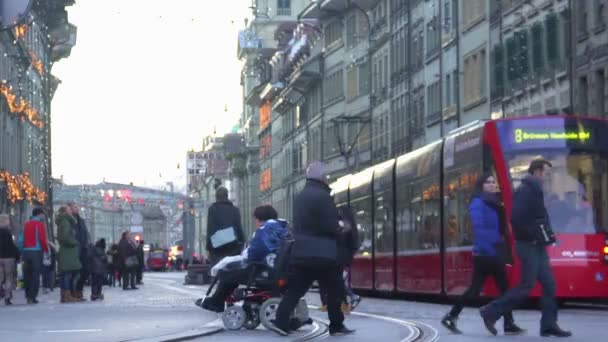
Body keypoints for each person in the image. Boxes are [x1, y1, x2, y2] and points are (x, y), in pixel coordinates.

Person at [480, 159, 572, 337]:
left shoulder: (535, 190)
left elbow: (538, 217)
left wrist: (547, 235)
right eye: (546, 173)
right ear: (537, 172)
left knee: (549, 284)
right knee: (526, 285)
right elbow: (516, 218)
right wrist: (535, 234)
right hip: (528, 245)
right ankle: (491, 312)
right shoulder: (526, 191)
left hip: (537, 244)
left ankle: (548, 325)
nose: (548, 177)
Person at [270, 161, 354, 337]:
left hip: (302, 251)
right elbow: (330, 225)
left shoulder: (300, 196)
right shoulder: (323, 197)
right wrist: (343, 227)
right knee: (333, 289)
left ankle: (280, 321)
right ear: (323, 178)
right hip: (323, 253)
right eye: (327, 176)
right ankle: (336, 325)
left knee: (295, 290)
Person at [441, 174, 524, 335]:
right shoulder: (478, 202)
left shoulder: (492, 201)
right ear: (481, 185)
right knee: (502, 289)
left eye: (494, 182)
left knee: (477, 290)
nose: (492, 184)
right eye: (488, 182)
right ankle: (507, 323)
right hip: (487, 252)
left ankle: (451, 316)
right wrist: (494, 247)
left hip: (490, 250)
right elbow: (479, 228)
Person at [200, 204, 289, 312]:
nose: (255, 222)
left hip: (262, 269)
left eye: (256, 219)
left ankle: (216, 302)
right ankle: (217, 300)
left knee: (227, 273)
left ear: (259, 219)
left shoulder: (265, 230)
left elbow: (253, 254)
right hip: (278, 269)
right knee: (233, 272)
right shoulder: (284, 229)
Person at [206, 187, 245, 266]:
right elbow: (238, 227)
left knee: (217, 270)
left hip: (217, 248)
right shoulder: (235, 209)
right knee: (232, 270)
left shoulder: (213, 209)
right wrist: (242, 242)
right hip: (233, 246)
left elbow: (210, 229)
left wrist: (209, 247)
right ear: (227, 196)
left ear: (216, 197)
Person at [20, 208, 49, 304]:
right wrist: (46, 250)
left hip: (26, 252)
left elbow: (21, 239)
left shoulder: (26, 224)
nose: (44, 216)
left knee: (27, 275)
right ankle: (33, 297)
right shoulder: (40, 225)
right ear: (39, 214)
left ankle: (28, 295)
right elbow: (42, 239)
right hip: (36, 252)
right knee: (35, 275)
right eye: (43, 214)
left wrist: (22, 251)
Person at [56, 206, 82, 303]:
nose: (71, 211)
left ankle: (65, 295)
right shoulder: (66, 222)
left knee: (67, 274)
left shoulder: (65, 222)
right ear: (65, 212)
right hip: (68, 252)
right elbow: (65, 237)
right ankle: (67, 296)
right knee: (67, 274)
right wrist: (75, 242)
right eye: (69, 210)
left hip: (67, 252)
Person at [68, 202, 90, 301]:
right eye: (75, 207)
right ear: (70, 209)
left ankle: (79, 290)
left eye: (77, 207)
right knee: (74, 273)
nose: (77, 209)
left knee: (85, 270)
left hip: (83, 249)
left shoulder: (81, 220)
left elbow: (85, 233)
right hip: (74, 250)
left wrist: (87, 244)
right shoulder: (68, 221)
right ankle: (73, 293)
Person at [0, 213, 19, 305]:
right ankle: (7, 297)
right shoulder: (8, 233)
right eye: (8, 220)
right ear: (5, 221)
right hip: (8, 257)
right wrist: (17, 254)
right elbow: (12, 246)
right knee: (8, 277)